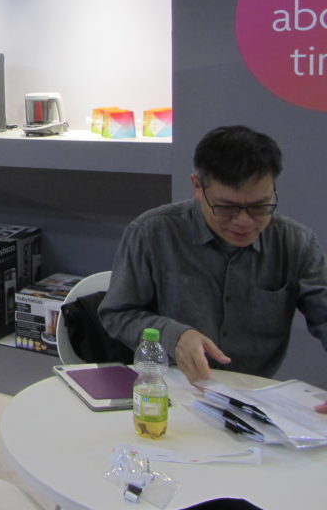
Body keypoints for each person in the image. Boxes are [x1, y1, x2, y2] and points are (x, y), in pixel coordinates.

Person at [99, 125, 327, 411]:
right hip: (166, 392)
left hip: (252, 399)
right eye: (226, 207)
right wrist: (174, 335)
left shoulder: (295, 243)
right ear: (198, 187)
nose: (243, 221)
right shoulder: (153, 232)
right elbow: (117, 314)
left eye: (260, 206)